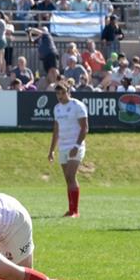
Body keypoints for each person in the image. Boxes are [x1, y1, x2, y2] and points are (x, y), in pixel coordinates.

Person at [48, 82, 88, 217]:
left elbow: (84, 128)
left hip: (75, 146)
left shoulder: (77, 106)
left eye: (63, 93)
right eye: (57, 93)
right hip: (63, 146)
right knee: (68, 178)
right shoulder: (57, 108)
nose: (60, 96)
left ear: (69, 92)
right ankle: (71, 209)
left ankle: (75, 211)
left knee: (71, 176)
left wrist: (76, 146)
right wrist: (51, 150)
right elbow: (56, 130)